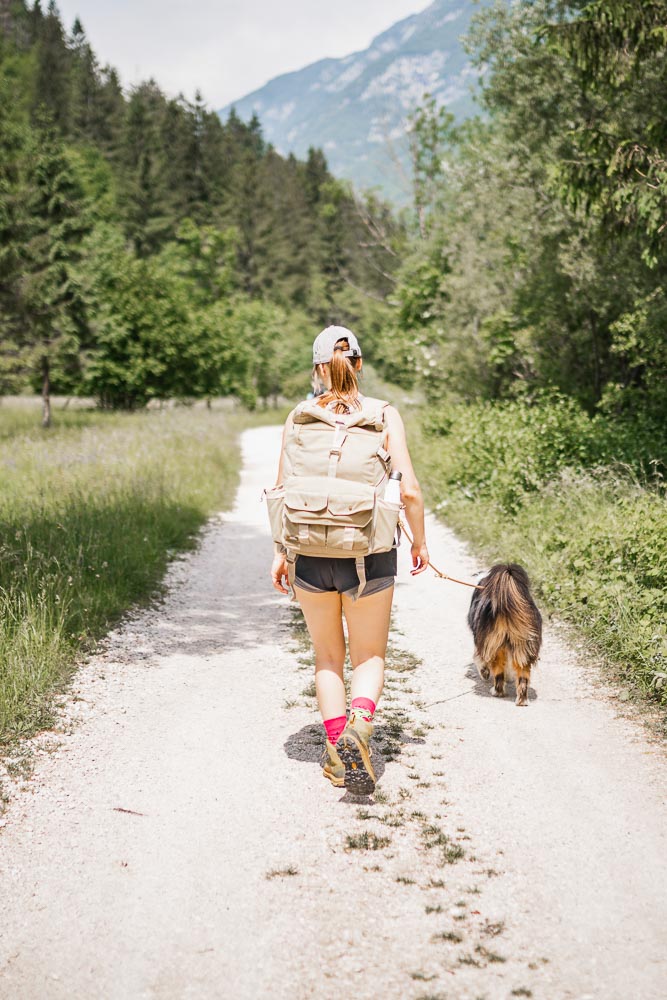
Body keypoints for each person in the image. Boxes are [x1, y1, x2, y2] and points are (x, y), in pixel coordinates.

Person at [270, 326, 429, 794]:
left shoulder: (298, 417)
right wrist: (419, 543)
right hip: (369, 553)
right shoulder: (383, 415)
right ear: (358, 364)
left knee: (327, 656)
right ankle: (360, 727)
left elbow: (281, 492)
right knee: (371, 655)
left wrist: (280, 553)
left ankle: (338, 750)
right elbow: (411, 490)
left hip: (308, 555)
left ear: (318, 369)